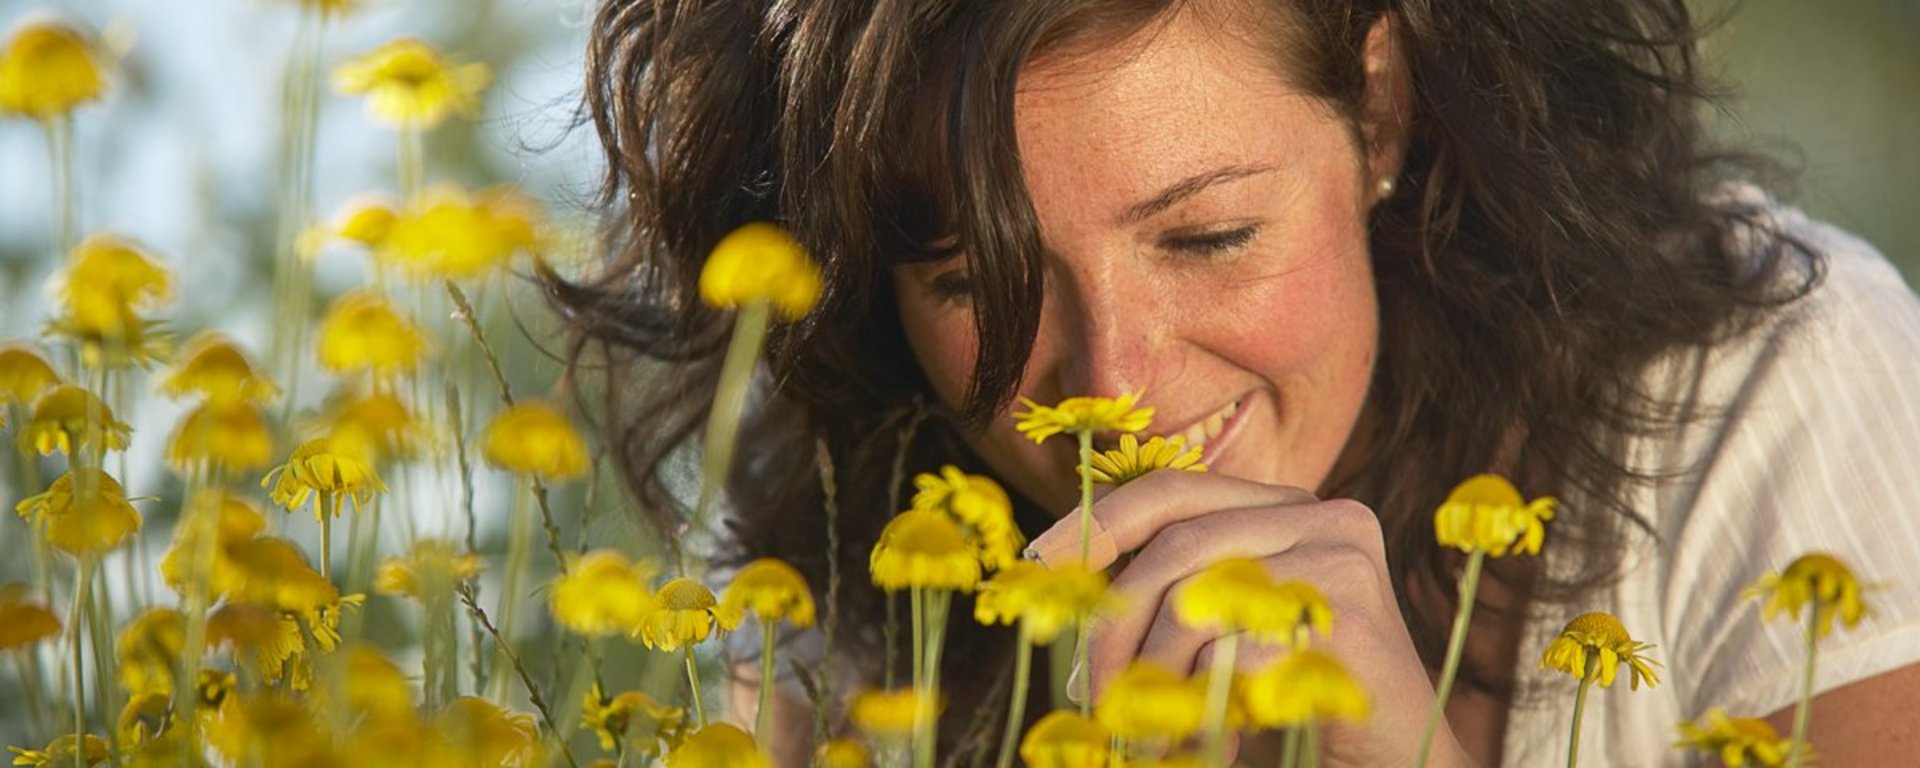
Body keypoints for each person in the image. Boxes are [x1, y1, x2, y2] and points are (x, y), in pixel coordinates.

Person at [560, 0, 1920, 764]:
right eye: (977, 282)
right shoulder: (836, 544)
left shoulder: (1772, 388)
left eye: (1209, 237)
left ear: (1377, 107)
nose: (1115, 385)